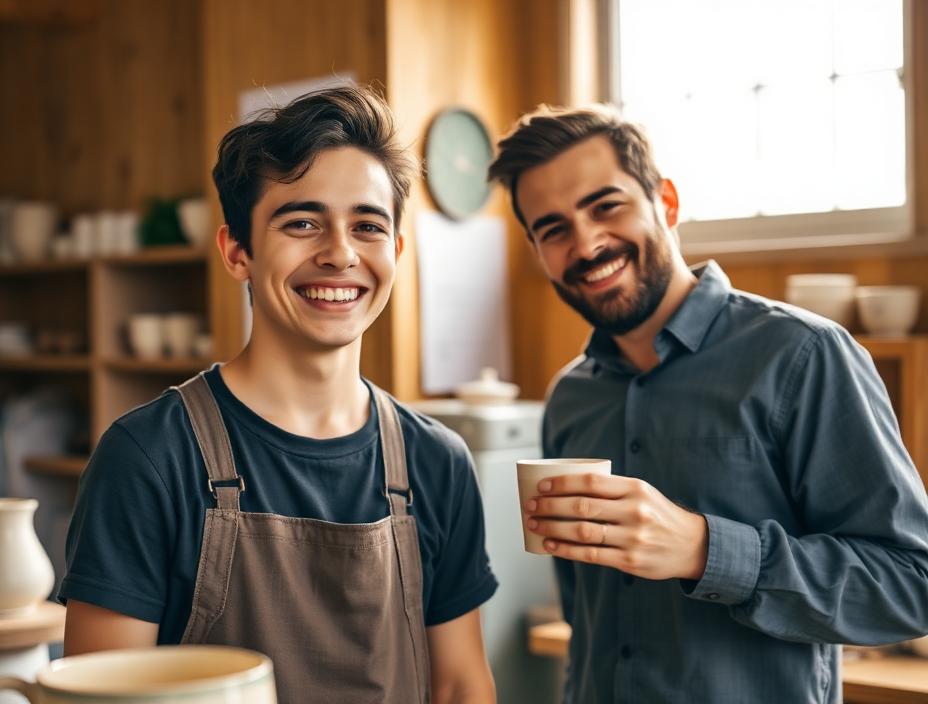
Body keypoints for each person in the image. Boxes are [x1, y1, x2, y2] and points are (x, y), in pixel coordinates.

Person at [59, 86, 498, 704]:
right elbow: (97, 697)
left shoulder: (438, 463)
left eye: (368, 226)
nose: (341, 253)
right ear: (238, 251)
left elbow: (460, 686)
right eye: (302, 222)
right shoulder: (149, 457)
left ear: (396, 252)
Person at [488, 103, 928, 703]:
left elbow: (911, 586)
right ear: (539, 254)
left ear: (665, 202)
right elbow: (586, 621)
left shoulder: (803, 356)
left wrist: (704, 550)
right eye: (554, 229)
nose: (587, 243)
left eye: (606, 206)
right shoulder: (571, 398)